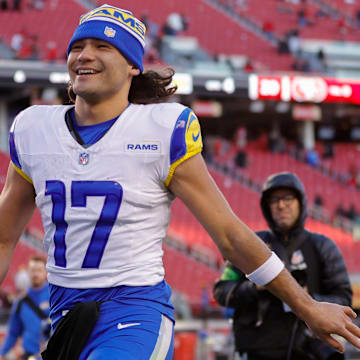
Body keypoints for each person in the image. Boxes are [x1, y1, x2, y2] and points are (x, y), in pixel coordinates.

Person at [0, 4, 359, 360]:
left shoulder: (159, 131)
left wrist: (306, 306)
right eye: (77, 47)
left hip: (134, 313)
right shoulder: (34, 130)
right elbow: (3, 238)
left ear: (132, 66)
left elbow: (231, 236)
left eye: (102, 46)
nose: (84, 55)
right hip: (65, 314)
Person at [213, 172, 353, 360]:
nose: (281, 205)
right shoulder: (250, 244)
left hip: (309, 350)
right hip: (257, 350)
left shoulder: (322, 246)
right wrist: (257, 287)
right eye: (274, 199)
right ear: (266, 206)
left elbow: (343, 298)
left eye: (288, 198)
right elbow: (221, 291)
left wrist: (305, 298)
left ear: (300, 203)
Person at [0, 256, 50, 360]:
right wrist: (2, 353)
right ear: (28, 272)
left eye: (39, 270)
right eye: (32, 270)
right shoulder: (20, 301)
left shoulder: (54, 296)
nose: (35, 274)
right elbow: (13, 332)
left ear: (46, 272)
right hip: (30, 356)